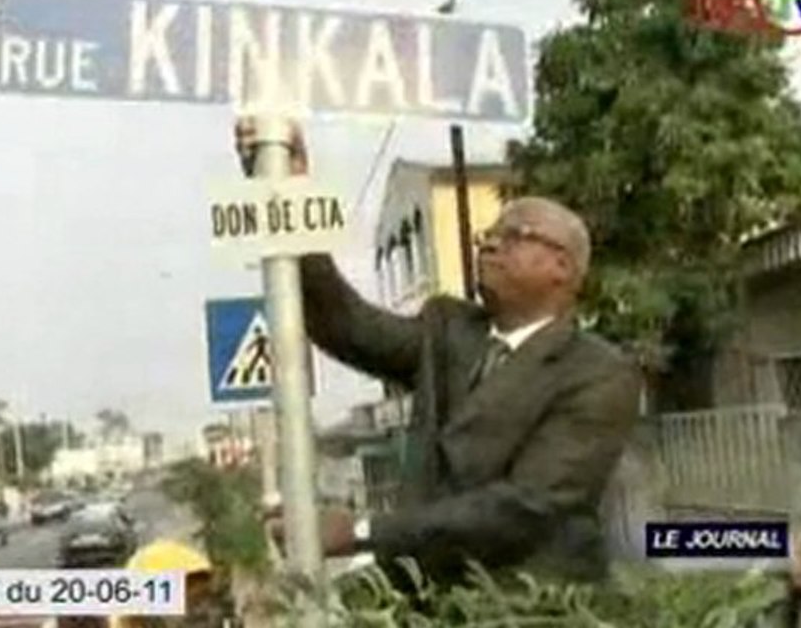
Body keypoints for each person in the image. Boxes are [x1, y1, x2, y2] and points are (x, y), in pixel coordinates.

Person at [248, 119, 643, 585]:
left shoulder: (599, 373)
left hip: (524, 611)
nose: (489, 242)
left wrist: (360, 531)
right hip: (425, 602)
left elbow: (522, 507)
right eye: (489, 234)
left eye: (515, 234)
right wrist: (289, 191)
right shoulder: (448, 330)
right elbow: (345, 325)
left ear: (562, 266)